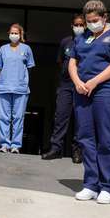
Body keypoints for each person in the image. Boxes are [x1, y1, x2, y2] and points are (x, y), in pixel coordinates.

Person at [69, 0, 110, 205]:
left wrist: (95, 81)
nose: (91, 24)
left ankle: (107, 186)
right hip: (82, 91)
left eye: (95, 20)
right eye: (88, 21)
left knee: (106, 138)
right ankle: (90, 184)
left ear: (105, 18)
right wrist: (78, 82)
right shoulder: (83, 37)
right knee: (86, 137)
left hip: (106, 90)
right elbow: (72, 61)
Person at [43, 14, 85, 162]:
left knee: (80, 119)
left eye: (81, 25)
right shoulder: (65, 42)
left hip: (82, 85)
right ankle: (56, 148)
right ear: (72, 25)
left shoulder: (90, 41)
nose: (78, 27)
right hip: (65, 85)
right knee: (60, 116)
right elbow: (60, 61)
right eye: (76, 25)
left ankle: (77, 151)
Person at [0, 24, 35, 154]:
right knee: (3, 117)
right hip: (4, 87)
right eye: (12, 33)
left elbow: (29, 67)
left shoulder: (26, 49)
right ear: (8, 34)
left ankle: (15, 145)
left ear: (21, 34)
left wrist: (23, 81)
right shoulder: (3, 49)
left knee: (18, 117)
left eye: (16, 33)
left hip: (20, 88)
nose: (14, 35)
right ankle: (4, 144)